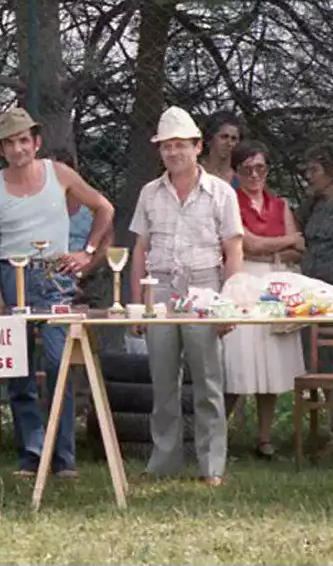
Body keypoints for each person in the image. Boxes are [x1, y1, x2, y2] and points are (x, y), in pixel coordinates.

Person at [0, 108, 115, 479]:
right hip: (11, 276)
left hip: (56, 275)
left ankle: (64, 458)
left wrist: (86, 253)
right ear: (1, 148)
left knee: (58, 365)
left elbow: (104, 208)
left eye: (24, 140)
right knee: (18, 368)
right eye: (10, 142)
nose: (18, 148)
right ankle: (31, 455)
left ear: (35, 142)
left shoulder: (60, 173)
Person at [129, 106, 244, 487]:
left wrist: (229, 302)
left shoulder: (222, 193)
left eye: (180, 145)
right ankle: (163, 462)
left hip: (205, 286)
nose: (173, 153)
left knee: (209, 381)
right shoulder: (149, 192)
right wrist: (137, 307)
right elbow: (139, 251)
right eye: (166, 147)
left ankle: (212, 466)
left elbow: (233, 251)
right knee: (163, 381)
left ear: (197, 147)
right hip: (159, 288)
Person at [220, 140, 305, 459]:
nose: (255, 174)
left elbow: (298, 251)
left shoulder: (280, 204)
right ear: (237, 172)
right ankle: (218, 437)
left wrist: (277, 246)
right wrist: (286, 240)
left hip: (276, 282)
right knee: (236, 360)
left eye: (261, 168)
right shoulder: (231, 201)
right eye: (247, 169)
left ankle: (265, 439)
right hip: (242, 280)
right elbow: (248, 245)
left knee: (271, 362)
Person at [297, 143, 333, 451]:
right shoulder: (314, 204)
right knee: (322, 361)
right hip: (312, 291)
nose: (308, 176)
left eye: (314, 170)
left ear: (331, 170)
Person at [201, 111, 242, 186]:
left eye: (234, 139)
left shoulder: (241, 181)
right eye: (224, 137)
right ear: (209, 139)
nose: (229, 143)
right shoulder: (195, 172)